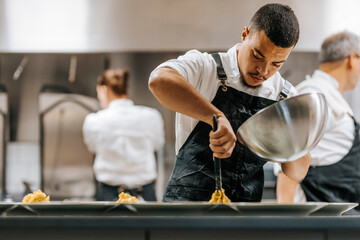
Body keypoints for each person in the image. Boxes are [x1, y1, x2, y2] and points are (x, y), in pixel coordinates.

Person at [148, 3, 310, 202]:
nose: (263, 70)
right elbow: (159, 80)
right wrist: (215, 116)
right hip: (186, 210)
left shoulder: (285, 97)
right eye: (257, 55)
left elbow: (298, 173)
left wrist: (291, 141)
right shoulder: (206, 67)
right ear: (245, 34)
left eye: (276, 64)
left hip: (244, 217)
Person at [276, 31, 360, 212]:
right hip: (317, 218)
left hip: (337, 218)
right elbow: (288, 164)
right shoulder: (314, 96)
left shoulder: (328, 95)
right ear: (352, 59)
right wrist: (286, 223)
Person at [83, 69, 165, 201]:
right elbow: (157, 144)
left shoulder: (93, 121)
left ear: (103, 89)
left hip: (108, 195)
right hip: (145, 194)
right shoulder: (152, 116)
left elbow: (92, 148)